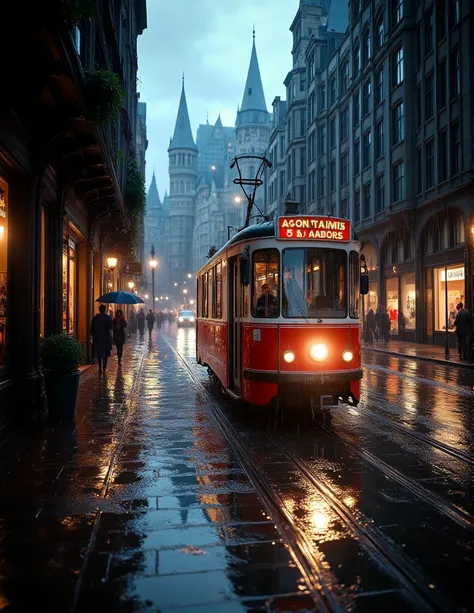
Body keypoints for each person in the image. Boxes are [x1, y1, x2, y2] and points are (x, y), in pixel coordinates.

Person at [90, 304, 113, 374]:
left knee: (99, 354)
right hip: (106, 338)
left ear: (99, 310)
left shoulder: (95, 318)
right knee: (106, 353)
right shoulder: (108, 318)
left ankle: (100, 367)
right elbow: (111, 327)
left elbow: (91, 330)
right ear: (105, 310)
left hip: (97, 338)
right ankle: (104, 367)